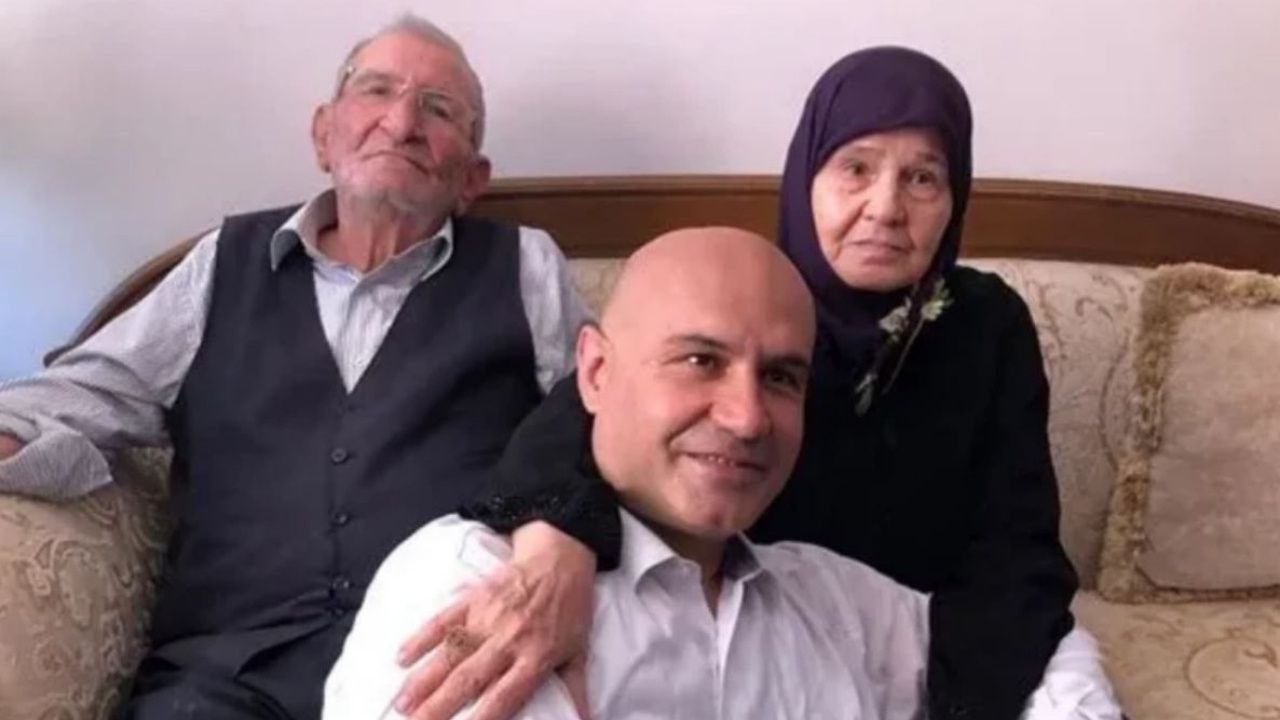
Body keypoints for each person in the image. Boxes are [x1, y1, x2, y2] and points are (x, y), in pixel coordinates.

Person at [392, 48, 1121, 720]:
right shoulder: (759, 305)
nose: (885, 208)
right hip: (778, 625)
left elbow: (1017, 536)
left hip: (949, 627)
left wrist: (960, 696)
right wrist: (555, 537)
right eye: (856, 169)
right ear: (807, 178)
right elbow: (581, 416)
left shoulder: (987, 322)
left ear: (956, 196)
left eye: (923, 178)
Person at [0, 14, 592, 720]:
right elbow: (74, 397)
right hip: (221, 682)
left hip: (437, 668)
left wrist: (567, 541)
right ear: (323, 134)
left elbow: (607, 428)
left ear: (472, 178)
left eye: (439, 110)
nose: (402, 122)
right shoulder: (222, 266)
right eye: (376, 91)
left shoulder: (525, 268)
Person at [325, 226, 937, 720]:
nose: (748, 418)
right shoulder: (478, 585)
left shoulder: (840, 604)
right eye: (700, 360)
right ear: (595, 372)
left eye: (780, 377)